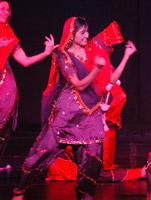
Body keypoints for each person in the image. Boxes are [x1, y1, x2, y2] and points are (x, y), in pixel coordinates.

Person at [12, 17, 137, 200]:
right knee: (38, 155)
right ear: (72, 34)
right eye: (82, 32)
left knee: (91, 162)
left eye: (87, 31)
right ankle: (20, 190)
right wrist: (95, 69)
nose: (87, 35)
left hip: (90, 116)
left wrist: (126, 56)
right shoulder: (63, 55)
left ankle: (85, 197)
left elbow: (110, 79)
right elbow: (78, 85)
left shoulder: (92, 52)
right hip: (65, 116)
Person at [0, 0, 58, 167]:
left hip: (4, 85)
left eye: (8, 10)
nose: (6, 12)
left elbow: (24, 61)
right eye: (2, 9)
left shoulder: (7, 32)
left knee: (4, 123)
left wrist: (46, 53)